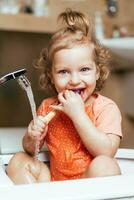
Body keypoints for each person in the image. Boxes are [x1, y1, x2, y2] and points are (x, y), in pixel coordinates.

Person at [7, 8, 122, 184]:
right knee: (18, 160)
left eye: (84, 69)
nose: (75, 80)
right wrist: (32, 136)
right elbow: (32, 150)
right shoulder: (48, 107)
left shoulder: (105, 108)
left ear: (97, 72)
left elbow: (107, 152)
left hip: (89, 186)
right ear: (51, 76)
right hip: (55, 185)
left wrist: (78, 115)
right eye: (63, 72)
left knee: (106, 165)